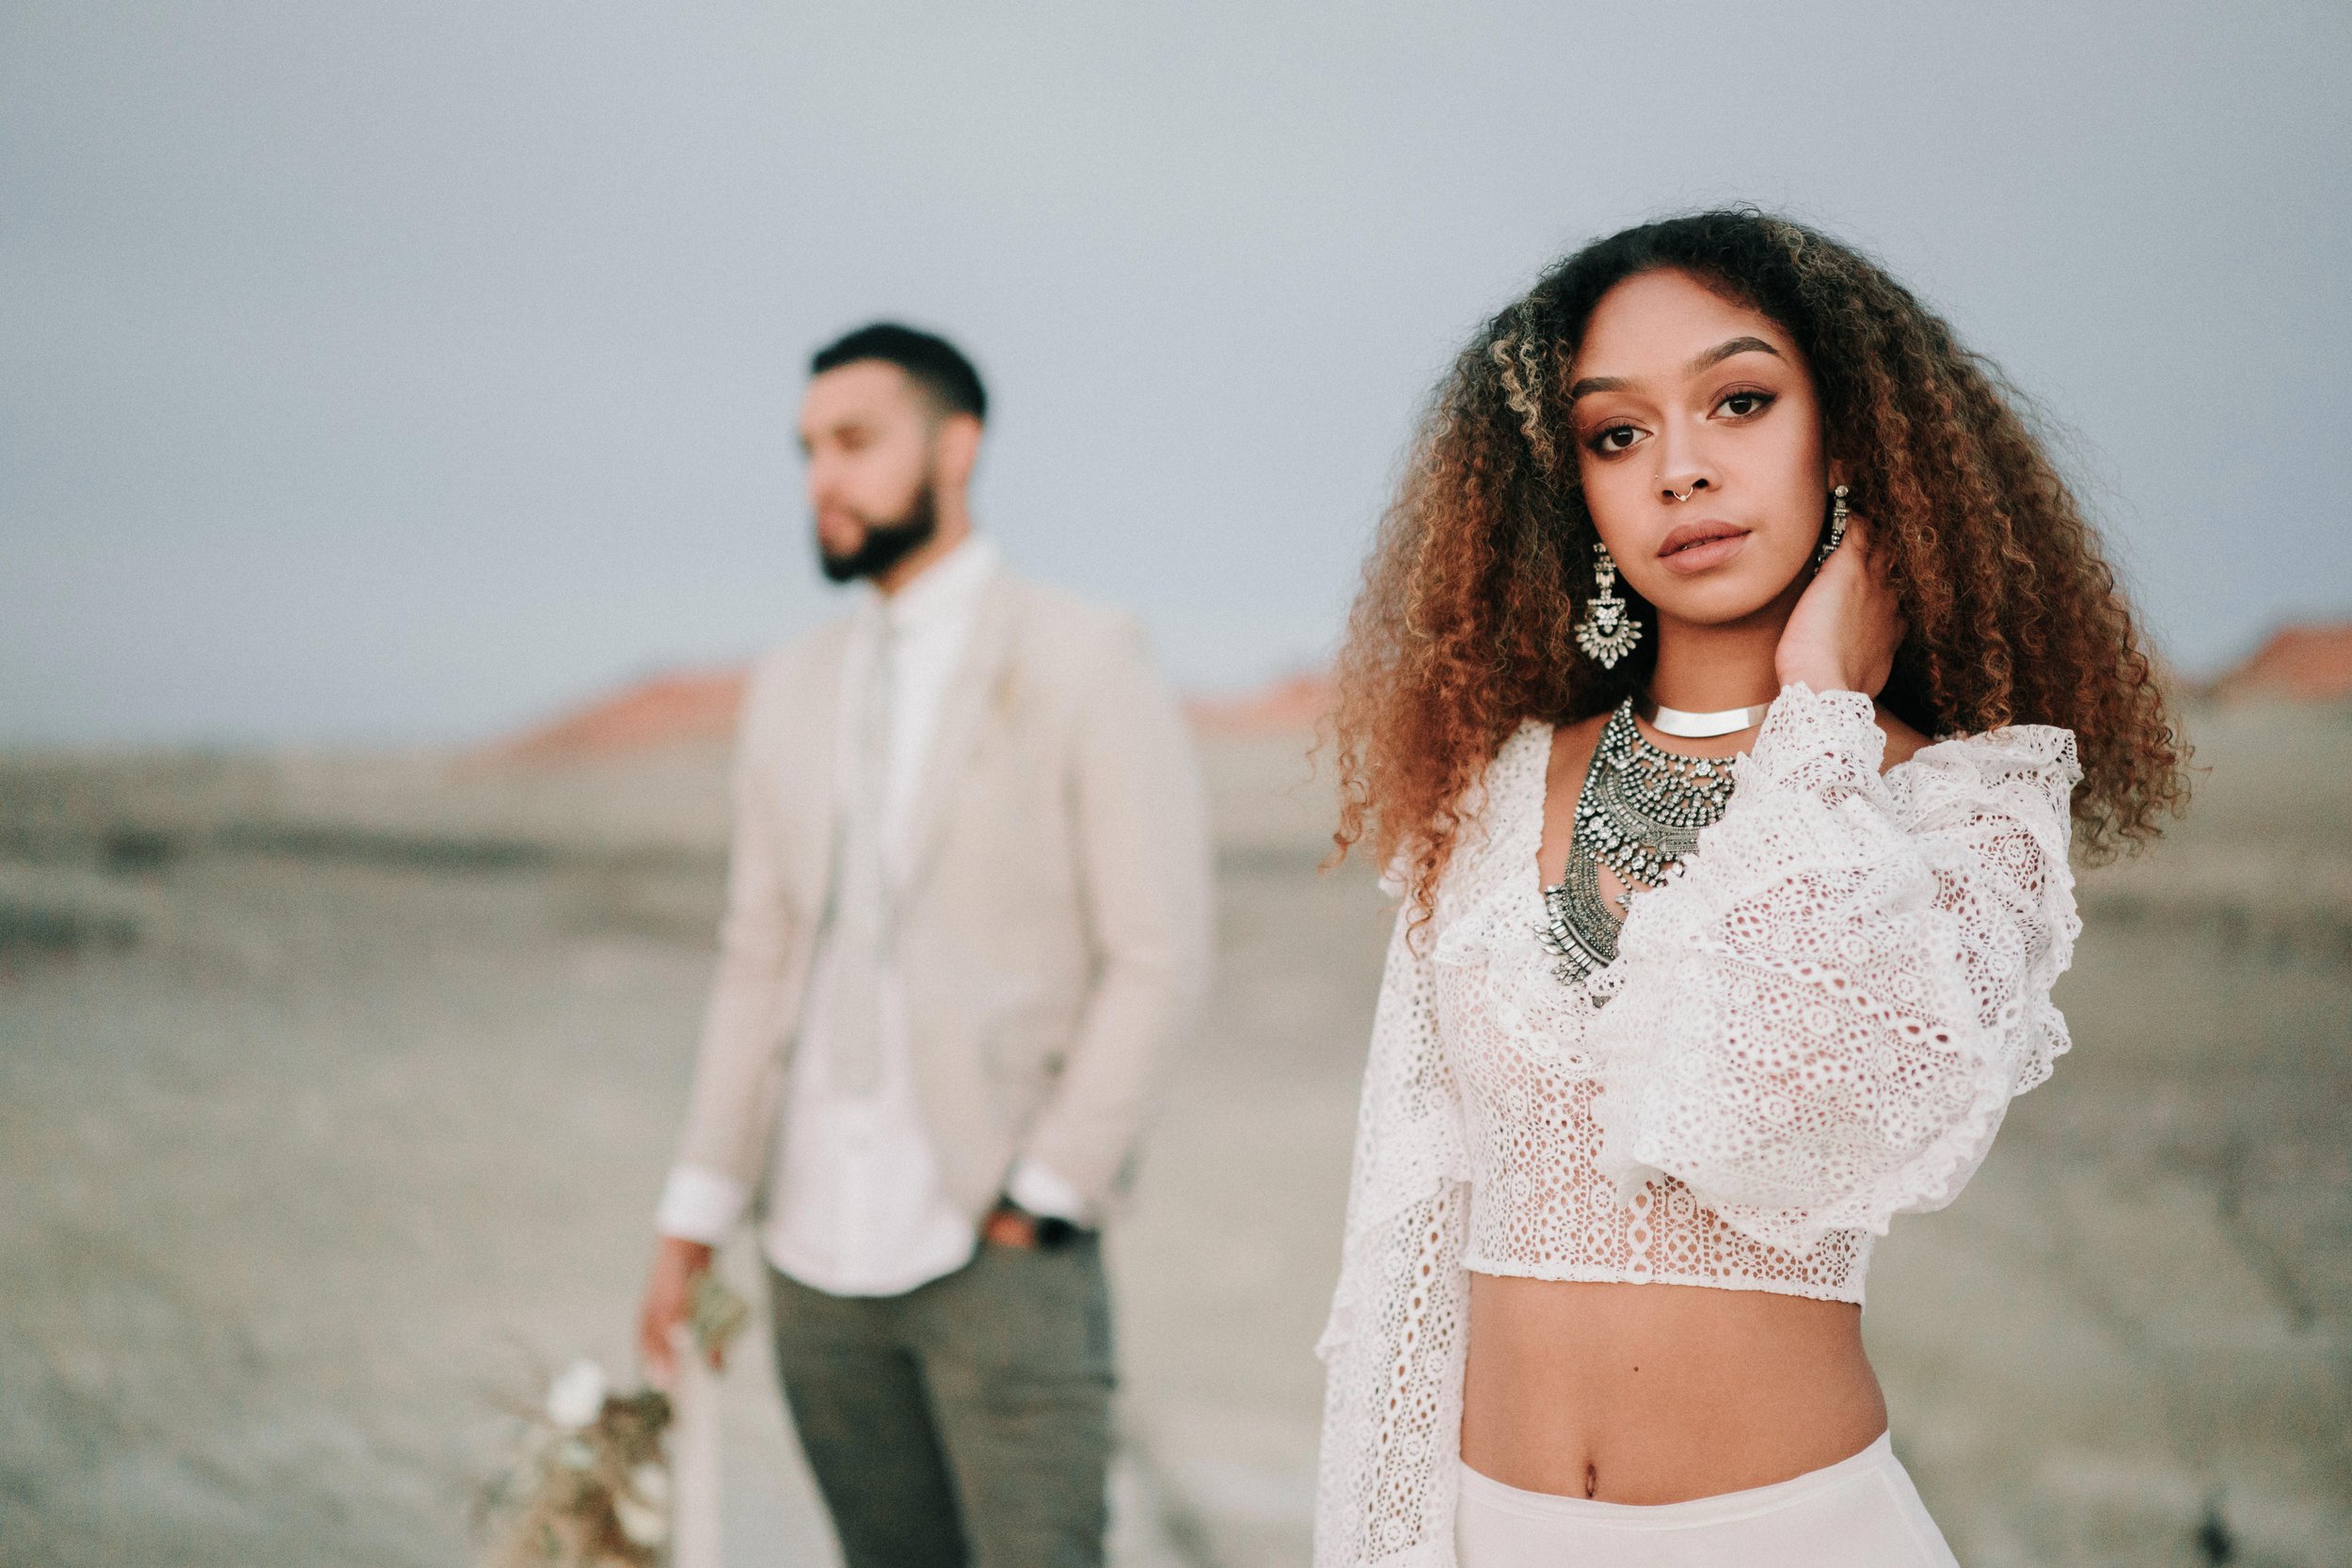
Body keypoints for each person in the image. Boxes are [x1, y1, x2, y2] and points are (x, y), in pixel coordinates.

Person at [1313, 212, 2185, 1566]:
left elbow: (1761, 1113)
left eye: (1739, 401)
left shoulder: (1952, 808)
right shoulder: (1485, 795)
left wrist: (1821, 715)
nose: (1681, 471)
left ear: (1847, 442)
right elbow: (1409, 1225)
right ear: (1578, 492)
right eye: (1618, 433)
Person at [637, 323, 1214, 1568]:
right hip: (809, 1256)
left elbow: (1158, 952)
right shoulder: (788, 684)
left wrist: (1048, 1191)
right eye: (806, 451)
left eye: (854, 443)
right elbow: (758, 955)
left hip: (995, 1243)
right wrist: (696, 1211)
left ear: (957, 446)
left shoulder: (1081, 654)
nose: (822, 481)